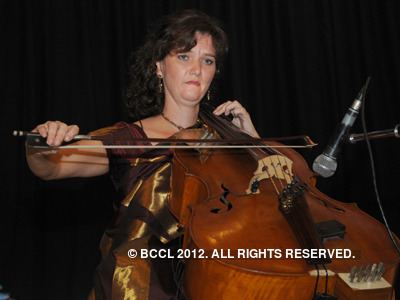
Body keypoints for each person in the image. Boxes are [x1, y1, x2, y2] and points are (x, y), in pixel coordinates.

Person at [26, 9, 259, 300]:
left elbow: (272, 205)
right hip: (135, 287)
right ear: (158, 66)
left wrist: (253, 144)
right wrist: (42, 142)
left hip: (213, 284)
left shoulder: (225, 139)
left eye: (207, 60)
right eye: (184, 56)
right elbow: (49, 167)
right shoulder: (129, 138)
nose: (197, 69)